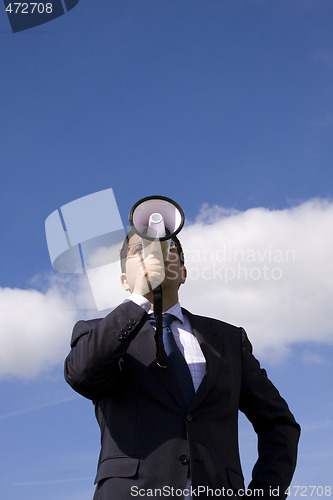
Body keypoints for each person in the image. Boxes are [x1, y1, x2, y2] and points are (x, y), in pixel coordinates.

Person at [64, 229, 300, 500]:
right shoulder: (97, 334)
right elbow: (81, 374)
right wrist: (140, 299)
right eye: (139, 250)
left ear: (183, 273)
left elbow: (279, 424)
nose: (154, 254)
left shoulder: (228, 340)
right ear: (123, 280)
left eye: (168, 249)